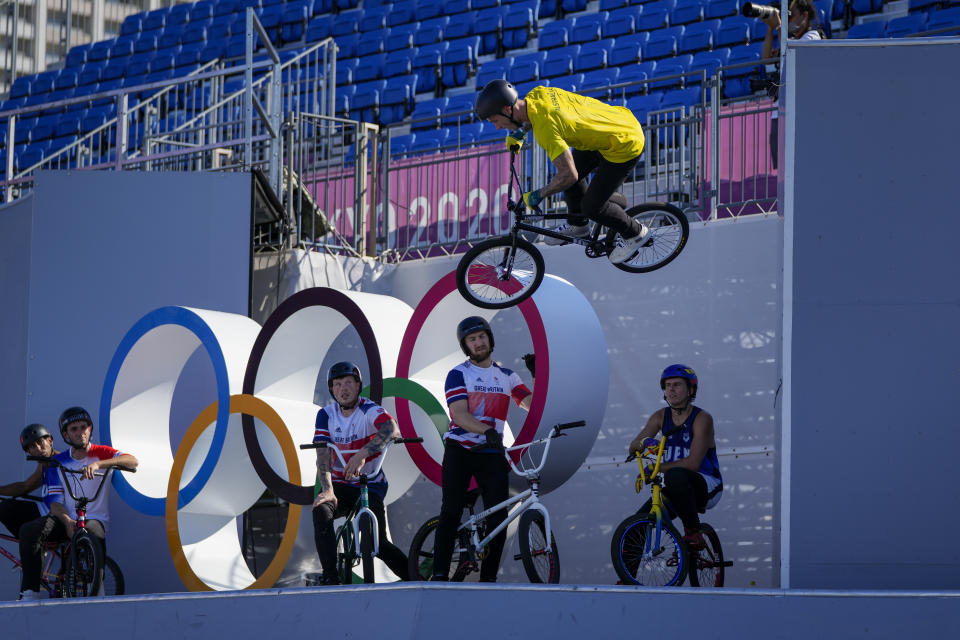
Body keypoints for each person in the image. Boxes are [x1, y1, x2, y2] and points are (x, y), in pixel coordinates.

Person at [475, 79, 648, 264]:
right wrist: (521, 133)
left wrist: (538, 194)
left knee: (590, 206)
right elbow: (536, 116)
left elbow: (568, 175)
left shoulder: (546, 131)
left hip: (624, 143)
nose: (497, 127)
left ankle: (636, 233)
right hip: (606, 129)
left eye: (495, 121)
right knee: (569, 174)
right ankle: (579, 225)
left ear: (507, 110)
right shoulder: (536, 94)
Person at [431, 317, 533, 582]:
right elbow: (460, 414)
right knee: (450, 510)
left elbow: (532, 405)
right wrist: (486, 431)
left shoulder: (508, 376)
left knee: (498, 517)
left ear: (490, 339)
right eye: (472, 339)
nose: (478, 343)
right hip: (460, 449)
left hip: (490, 453)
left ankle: (488, 579)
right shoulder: (458, 374)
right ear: (465, 346)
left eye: (481, 337)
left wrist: (540, 377)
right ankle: (440, 573)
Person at [17, 406, 138, 601]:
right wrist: (66, 522)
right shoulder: (57, 462)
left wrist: (99, 464)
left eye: (84, 427)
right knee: (29, 530)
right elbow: (55, 503)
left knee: (93, 533)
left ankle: (97, 589)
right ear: (65, 434)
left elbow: (132, 461)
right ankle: (31, 591)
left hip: (94, 518)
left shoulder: (101, 452)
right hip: (66, 517)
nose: (80, 433)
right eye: (74, 429)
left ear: (90, 429)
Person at [311, 361, 410, 584]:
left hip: (370, 483)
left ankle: (418, 580)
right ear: (332, 389)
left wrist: (360, 455)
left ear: (358, 386)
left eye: (348, 383)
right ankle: (330, 578)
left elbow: (392, 428)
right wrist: (328, 490)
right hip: (340, 486)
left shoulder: (369, 409)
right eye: (337, 385)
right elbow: (322, 455)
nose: (343, 389)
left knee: (378, 541)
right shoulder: (326, 415)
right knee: (321, 514)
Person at [627, 365, 722, 548]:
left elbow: (693, 464)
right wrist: (645, 444)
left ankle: (694, 533)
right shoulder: (660, 417)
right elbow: (633, 446)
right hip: (677, 486)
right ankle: (626, 577)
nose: (671, 389)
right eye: (667, 385)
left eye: (677, 384)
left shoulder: (702, 418)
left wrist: (656, 468)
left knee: (675, 475)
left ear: (691, 390)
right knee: (635, 526)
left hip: (706, 485)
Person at [760, 0, 825, 168]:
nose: (788, 21)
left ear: (805, 16)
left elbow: (793, 54)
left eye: (790, 16)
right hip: (780, 111)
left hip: (800, 110)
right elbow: (766, 59)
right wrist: (770, 26)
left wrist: (779, 27)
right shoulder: (788, 40)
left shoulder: (812, 36)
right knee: (782, 166)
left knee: (800, 164)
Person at [0, 424, 59, 541]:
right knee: (6, 508)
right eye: (32, 446)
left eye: (40, 442)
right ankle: (31, 545)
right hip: (46, 511)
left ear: (50, 440)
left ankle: (33, 545)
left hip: (59, 516)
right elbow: (25, 486)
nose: (38, 449)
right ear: (29, 452)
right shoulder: (43, 465)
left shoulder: (62, 460)